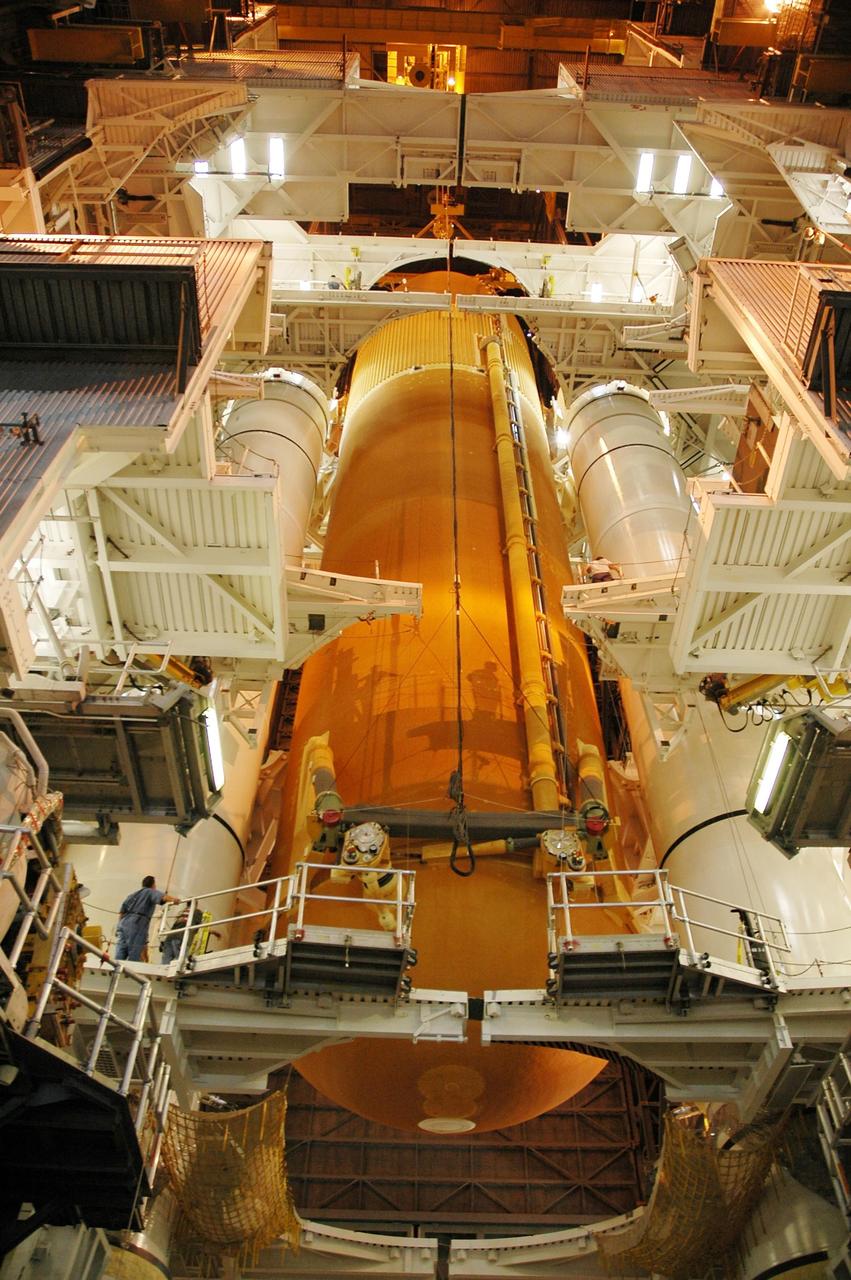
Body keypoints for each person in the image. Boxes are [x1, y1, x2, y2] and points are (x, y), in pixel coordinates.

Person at [115, 875, 179, 962]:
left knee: (121, 951)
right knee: (134, 953)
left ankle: (115, 969)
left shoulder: (132, 895)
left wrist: (119, 926)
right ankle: (131, 972)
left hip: (124, 923)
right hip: (137, 923)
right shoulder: (150, 891)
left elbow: (122, 912)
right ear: (153, 885)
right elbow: (162, 897)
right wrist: (174, 900)